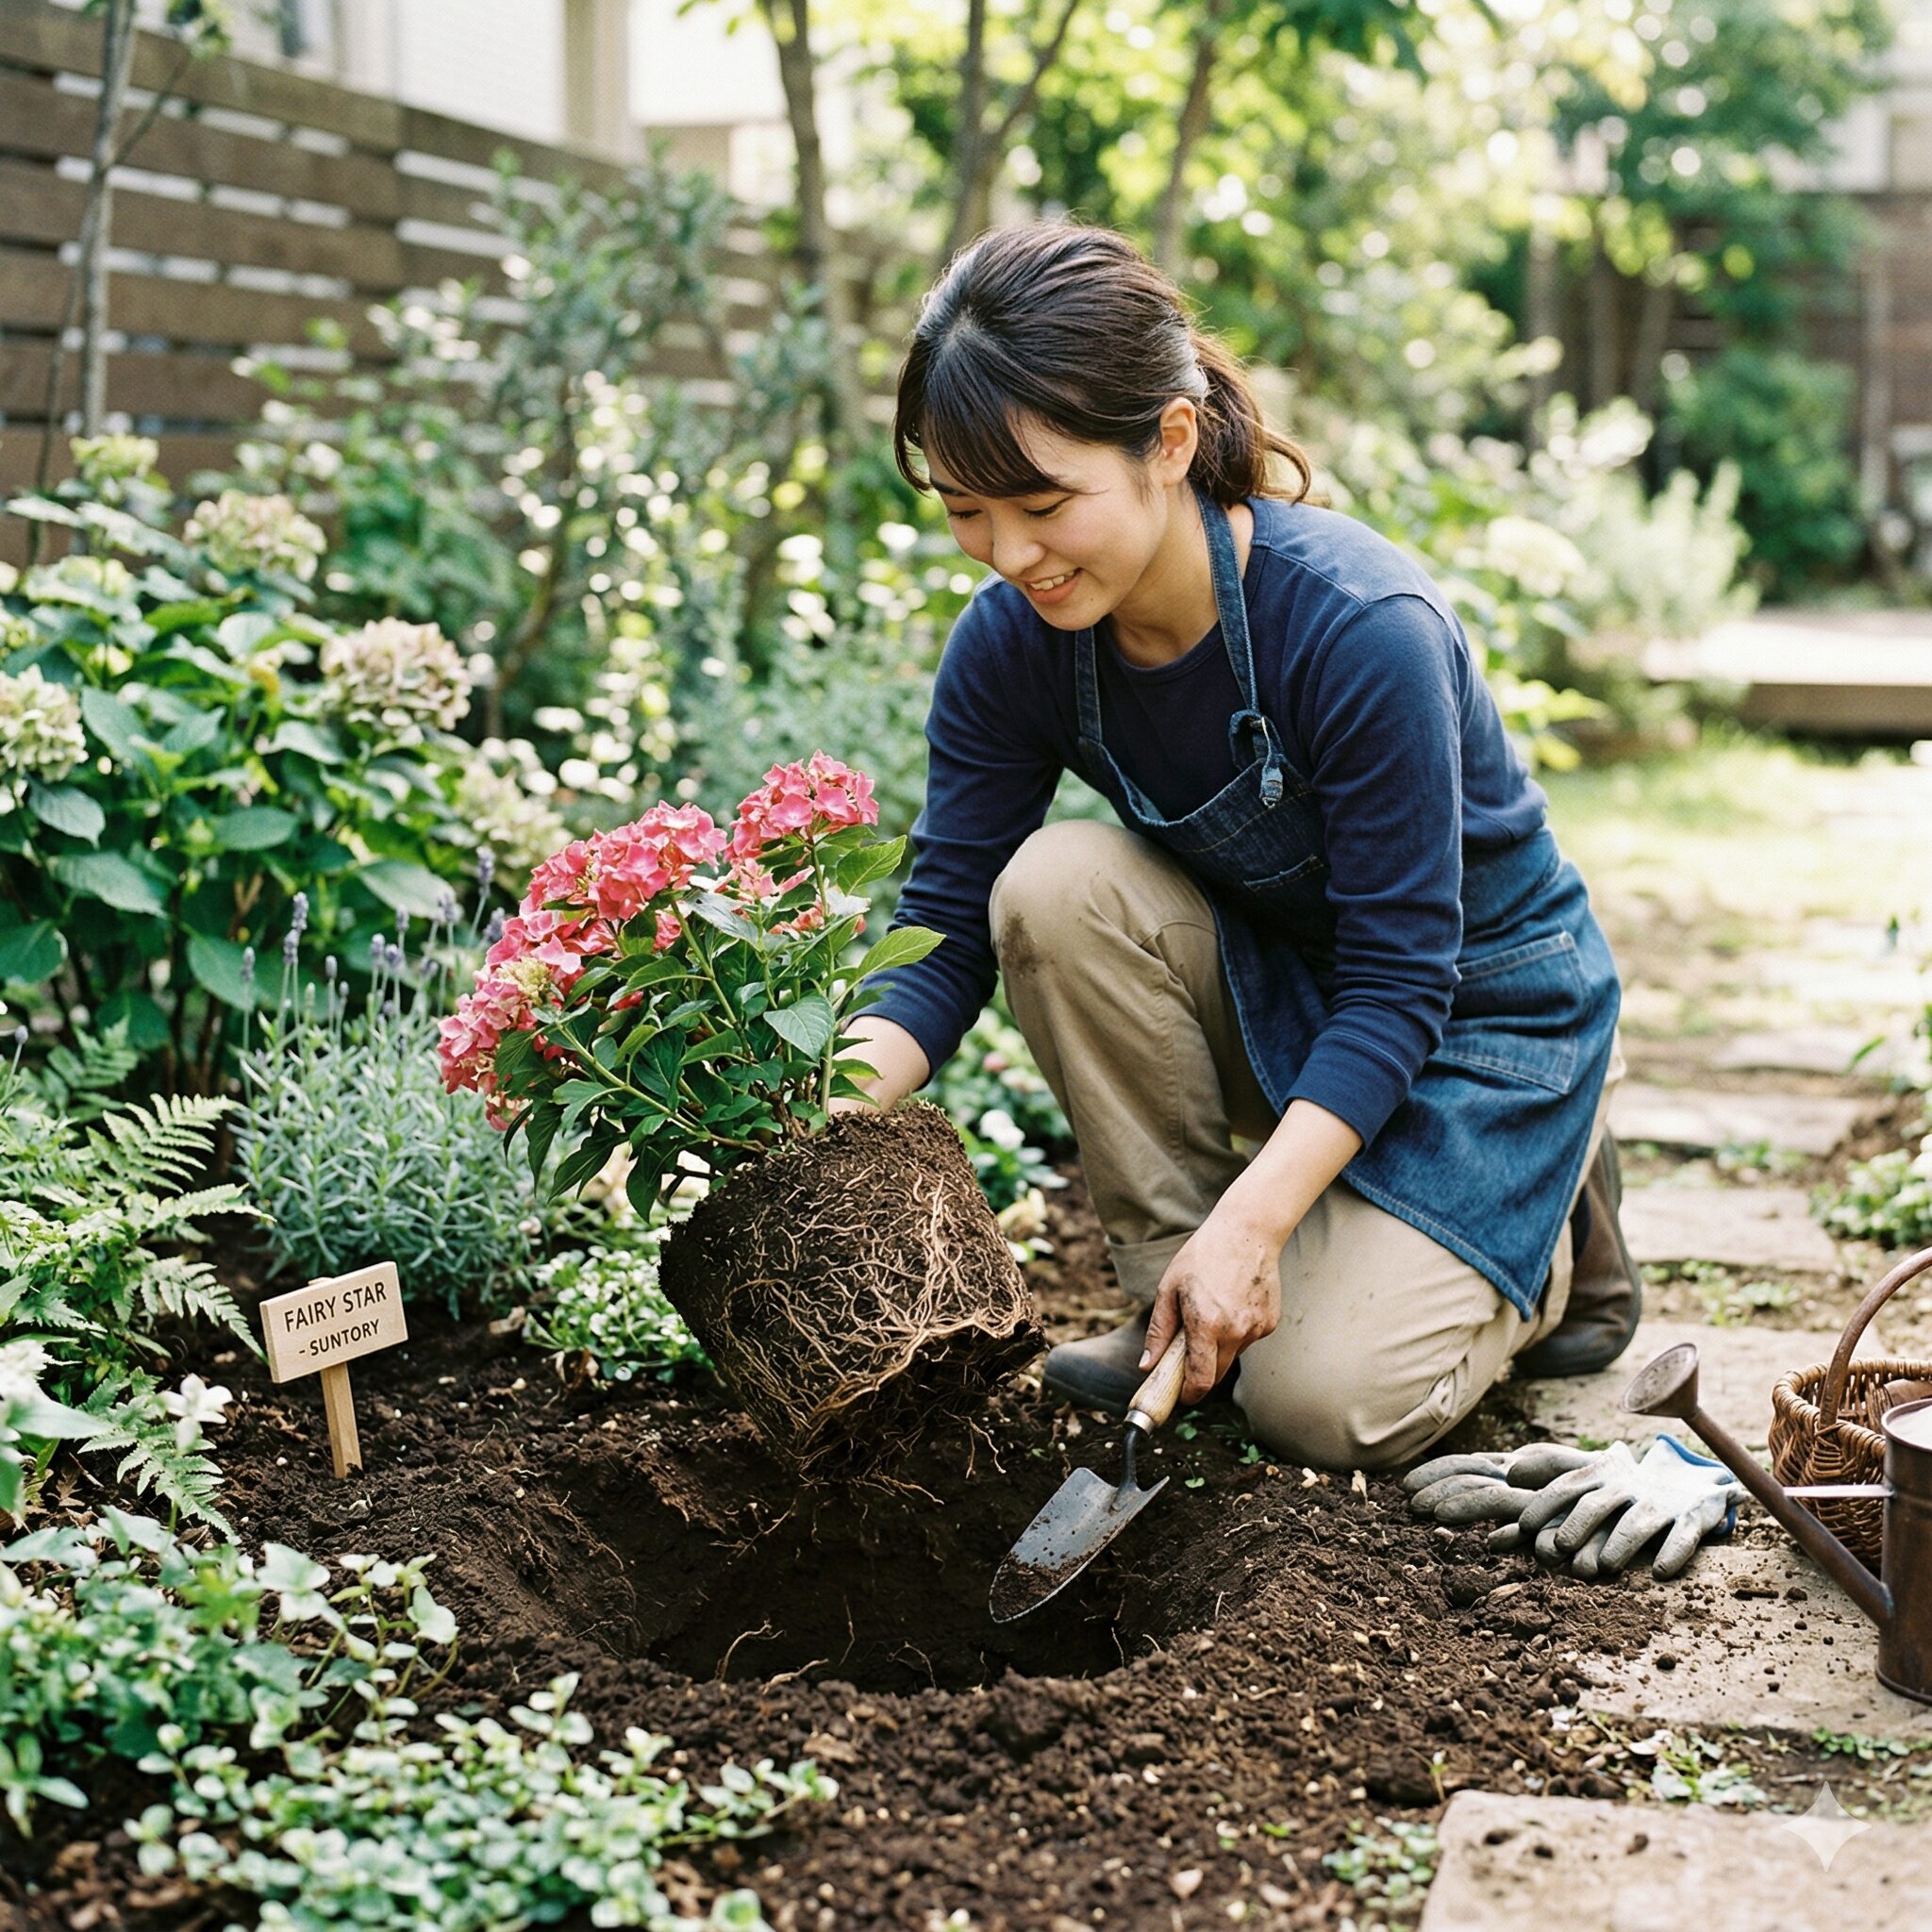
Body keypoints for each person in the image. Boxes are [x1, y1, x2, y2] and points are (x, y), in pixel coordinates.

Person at [841, 222, 1637, 1471]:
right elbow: (943, 930)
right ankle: (1184, 1305)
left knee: (1323, 1407)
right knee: (1049, 884)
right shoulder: (1012, 647)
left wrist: (1260, 1223)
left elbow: (1398, 980)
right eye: (967, 511)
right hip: (1295, 990)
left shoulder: (1357, 626)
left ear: (1168, 442)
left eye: (1044, 504)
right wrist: (812, 1118)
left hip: (1484, 1023)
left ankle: (1548, 1250)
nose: (1009, 556)